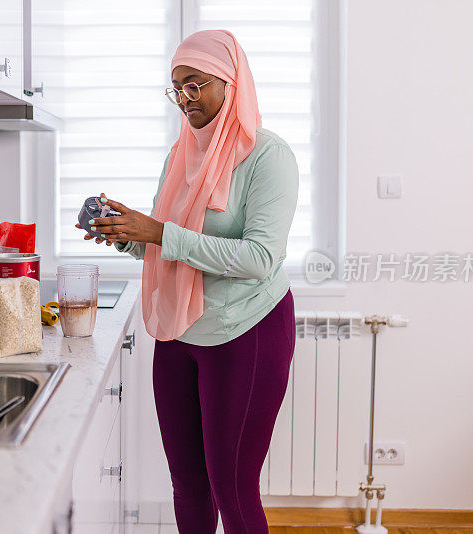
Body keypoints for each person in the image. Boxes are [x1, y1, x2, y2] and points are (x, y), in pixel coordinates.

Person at [75, 29, 298, 534]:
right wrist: (122, 233)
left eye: (195, 84)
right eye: (176, 88)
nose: (185, 99)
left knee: (232, 487)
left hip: (246, 328)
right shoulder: (179, 156)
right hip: (179, 330)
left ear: (230, 81)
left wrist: (157, 232)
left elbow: (260, 257)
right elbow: (164, 246)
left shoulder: (269, 157)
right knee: (188, 486)